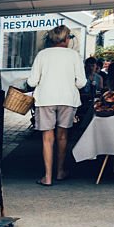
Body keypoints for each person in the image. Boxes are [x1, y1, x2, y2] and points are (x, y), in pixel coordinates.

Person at [27, 25, 84, 186]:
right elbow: (81, 83)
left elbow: (32, 81)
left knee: (47, 138)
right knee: (63, 136)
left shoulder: (42, 55)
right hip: (67, 99)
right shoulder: (74, 56)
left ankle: (48, 176)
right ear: (66, 39)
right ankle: (60, 171)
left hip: (45, 99)